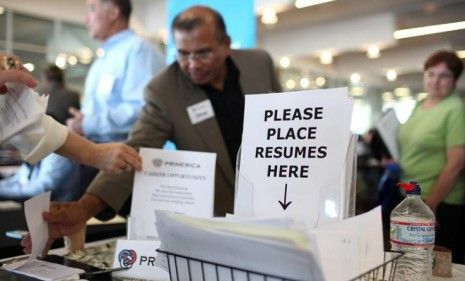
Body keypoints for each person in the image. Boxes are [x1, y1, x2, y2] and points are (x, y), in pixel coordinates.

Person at [29, 5, 281, 252]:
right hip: (223, 219)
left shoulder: (259, 64)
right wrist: (85, 208)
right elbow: (135, 151)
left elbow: (290, 121)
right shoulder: (164, 91)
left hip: (279, 203)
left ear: (226, 44)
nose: (192, 64)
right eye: (183, 54)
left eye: (202, 53)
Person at [66, 0, 165, 190]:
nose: (87, 19)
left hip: (122, 164)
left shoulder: (138, 50)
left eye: (92, 9)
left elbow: (143, 110)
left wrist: (87, 124)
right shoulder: (103, 58)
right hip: (93, 158)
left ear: (113, 13)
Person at [0, 55, 142, 173]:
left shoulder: (41, 90)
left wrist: (93, 151)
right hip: (68, 148)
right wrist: (92, 151)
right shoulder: (72, 94)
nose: (87, 19)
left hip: (64, 148)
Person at [398, 50, 465, 263]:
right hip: (411, 197)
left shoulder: (455, 109)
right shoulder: (420, 105)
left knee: (436, 268)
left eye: (443, 75)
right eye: (430, 73)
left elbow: (456, 163)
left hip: (438, 203)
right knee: (411, 262)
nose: (435, 81)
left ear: (454, 80)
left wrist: (431, 204)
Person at [0, 65, 83, 201]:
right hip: (63, 137)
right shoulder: (72, 95)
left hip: (57, 144)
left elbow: (40, 188)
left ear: (45, 77)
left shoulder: (39, 91)